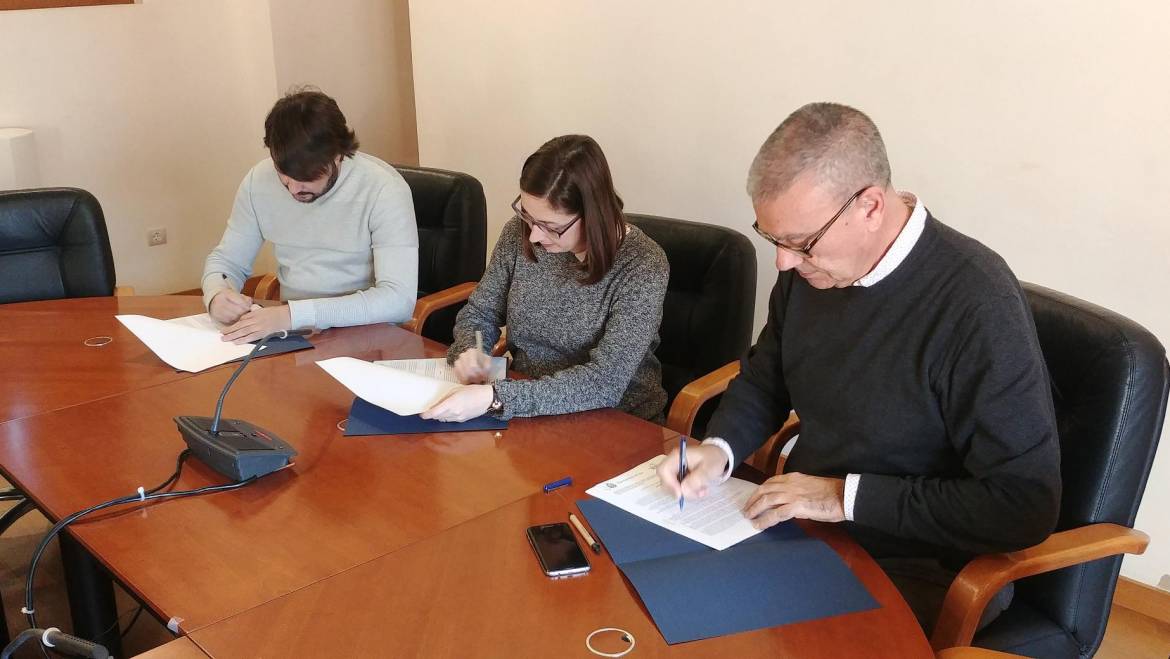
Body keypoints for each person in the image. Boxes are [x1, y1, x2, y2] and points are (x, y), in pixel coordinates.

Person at [656, 102, 1061, 633]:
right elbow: (766, 376)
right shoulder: (813, 268)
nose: (783, 262)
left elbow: (1023, 504)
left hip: (920, 561)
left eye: (799, 243)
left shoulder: (975, 303)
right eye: (771, 238)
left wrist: (841, 495)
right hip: (810, 527)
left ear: (870, 206)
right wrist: (719, 449)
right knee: (666, 604)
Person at [420, 135, 669, 423]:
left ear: (593, 214)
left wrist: (497, 398)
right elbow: (481, 312)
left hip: (616, 421)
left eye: (551, 227)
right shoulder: (519, 232)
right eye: (527, 216)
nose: (535, 236)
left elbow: (604, 383)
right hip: (527, 406)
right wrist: (471, 349)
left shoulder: (643, 264)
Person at [201, 89, 418, 343]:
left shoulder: (384, 189)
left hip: (366, 333)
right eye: (284, 175)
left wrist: (294, 315)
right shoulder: (258, 182)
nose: (293, 189)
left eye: (307, 178)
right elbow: (227, 261)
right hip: (293, 331)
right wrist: (216, 294)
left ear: (338, 155)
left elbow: (398, 300)